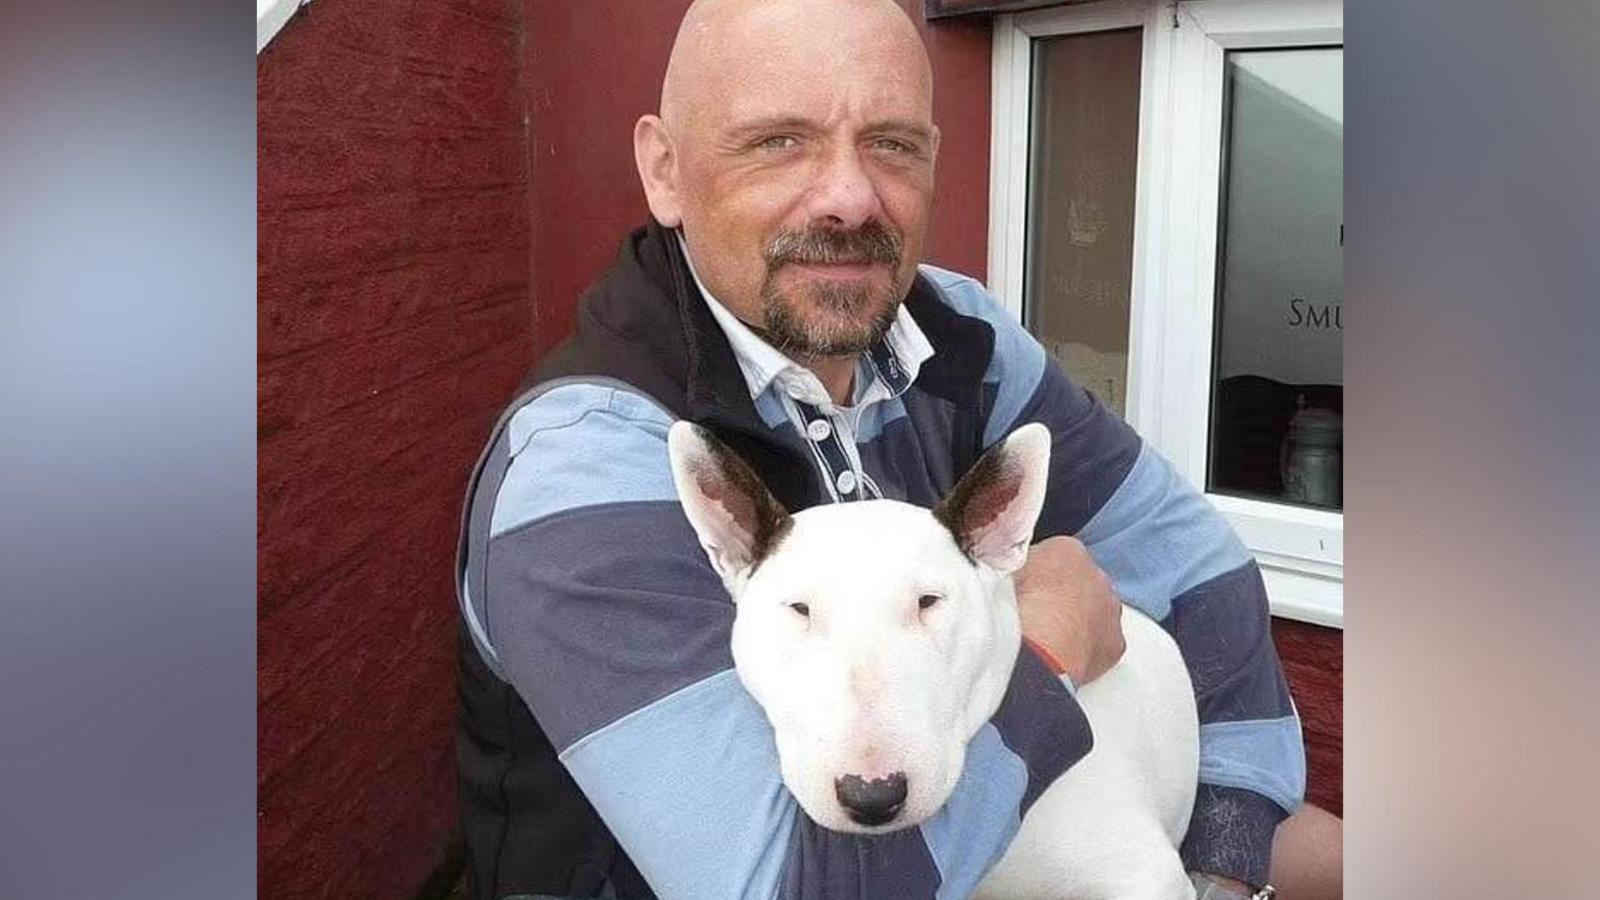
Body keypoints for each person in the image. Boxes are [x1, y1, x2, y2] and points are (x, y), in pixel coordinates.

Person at [454, 1, 1341, 898]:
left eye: (892, 144)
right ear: (666, 169)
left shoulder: (957, 339)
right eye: (779, 141)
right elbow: (797, 887)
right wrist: (1047, 649)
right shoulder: (583, 470)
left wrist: (1227, 854)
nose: (848, 197)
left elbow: (1199, 575)